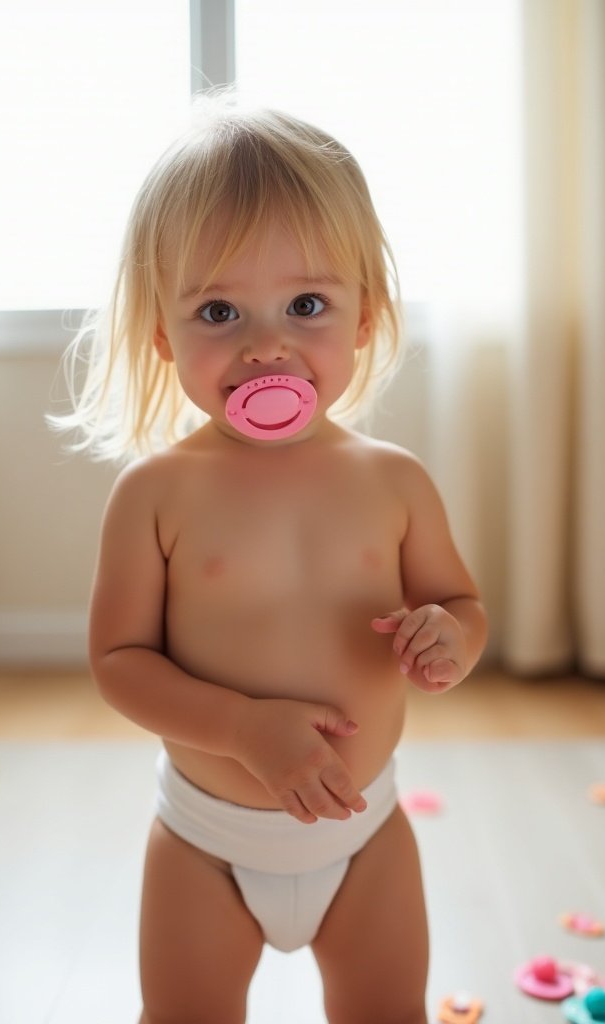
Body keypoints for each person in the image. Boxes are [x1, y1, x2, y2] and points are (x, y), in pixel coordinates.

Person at [56, 96, 487, 1024]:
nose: (266, 346)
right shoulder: (156, 494)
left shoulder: (395, 480)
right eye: (219, 310)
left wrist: (449, 636)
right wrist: (244, 728)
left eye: (306, 304)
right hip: (205, 847)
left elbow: (460, 600)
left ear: (364, 315)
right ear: (166, 336)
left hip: (364, 839)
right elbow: (119, 664)